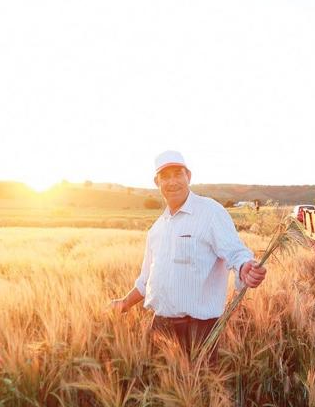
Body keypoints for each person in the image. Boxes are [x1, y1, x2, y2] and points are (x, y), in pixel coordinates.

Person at [110, 150, 267, 356]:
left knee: (200, 387)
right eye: (165, 176)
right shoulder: (157, 229)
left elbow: (236, 252)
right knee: (158, 386)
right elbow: (145, 281)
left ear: (189, 177)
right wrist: (124, 303)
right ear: (157, 182)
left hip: (199, 330)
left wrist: (245, 267)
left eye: (178, 174)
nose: (172, 181)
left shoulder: (210, 212)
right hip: (160, 326)